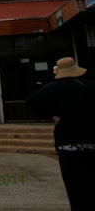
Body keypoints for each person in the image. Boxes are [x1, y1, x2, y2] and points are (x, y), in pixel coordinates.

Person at [27, 57, 95, 211]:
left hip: (67, 145)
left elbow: (30, 102)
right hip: (90, 142)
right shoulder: (89, 87)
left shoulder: (52, 88)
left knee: (74, 187)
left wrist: (51, 115)